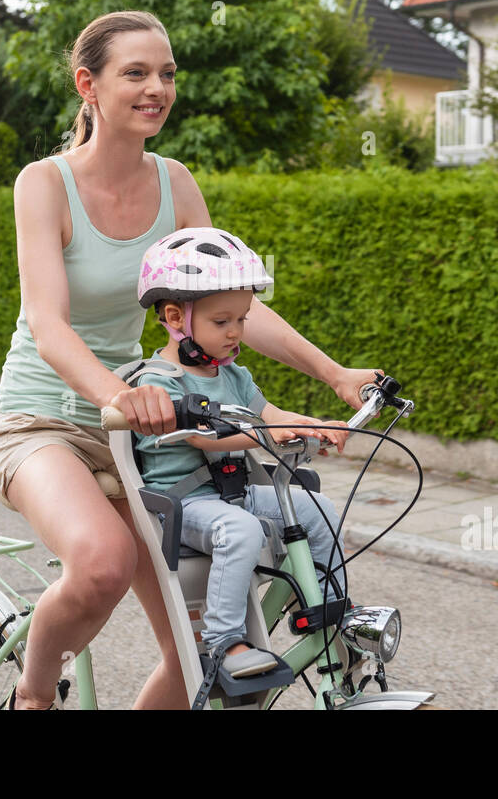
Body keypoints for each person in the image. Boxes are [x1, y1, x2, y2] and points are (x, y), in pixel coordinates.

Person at [0, 9, 385, 710]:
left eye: (165, 73)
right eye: (135, 72)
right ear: (89, 85)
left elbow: (231, 307)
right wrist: (118, 393)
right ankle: (34, 694)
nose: (156, 87)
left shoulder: (175, 182)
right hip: (41, 420)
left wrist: (335, 373)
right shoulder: (43, 183)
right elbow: (47, 324)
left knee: (206, 655)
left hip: (145, 424)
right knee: (104, 565)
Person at [132, 227, 349, 678]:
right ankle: (225, 643)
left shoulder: (233, 375)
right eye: (221, 322)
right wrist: (271, 430)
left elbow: (269, 413)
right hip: (183, 504)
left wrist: (315, 425)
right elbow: (204, 438)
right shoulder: (158, 382)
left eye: (243, 319)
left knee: (319, 509)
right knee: (242, 530)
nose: (236, 332)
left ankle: (332, 613)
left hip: (234, 491)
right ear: (175, 317)